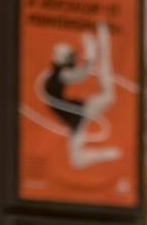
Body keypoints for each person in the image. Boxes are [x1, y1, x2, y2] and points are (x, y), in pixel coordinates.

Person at [43, 22, 122, 169]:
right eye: (71, 57)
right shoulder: (60, 74)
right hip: (75, 116)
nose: (73, 59)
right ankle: (106, 154)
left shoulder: (59, 74)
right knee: (77, 161)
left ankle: (104, 42)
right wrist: (90, 59)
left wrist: (90, 57)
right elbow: (79, 75)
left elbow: (78, 74)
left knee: (108, 96)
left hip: (78, 112)